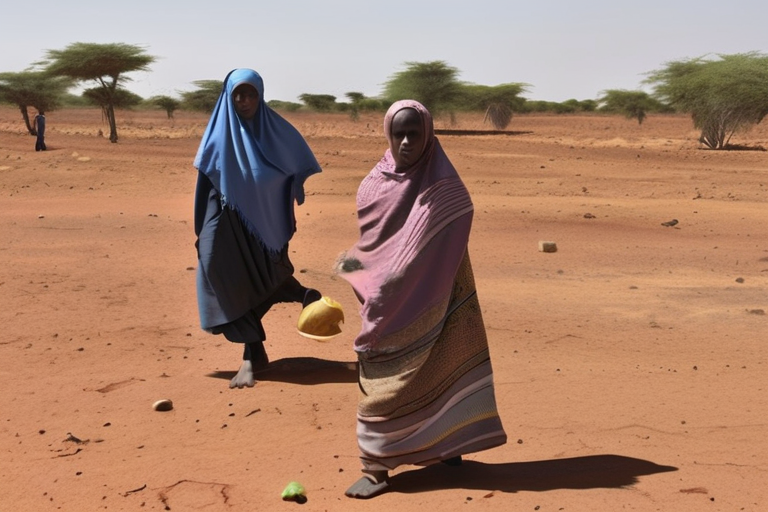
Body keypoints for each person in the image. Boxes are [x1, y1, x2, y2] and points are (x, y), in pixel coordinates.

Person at [337, 100, 507, 498]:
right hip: (388, 301)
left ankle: (405, 457)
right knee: (381, 377)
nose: (408, 141)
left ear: (429, 135)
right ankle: (382, 463)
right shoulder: (372, 185)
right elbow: (372, 245)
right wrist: (363, 271)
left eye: (416, 133)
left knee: (444, 364)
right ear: (388, 136)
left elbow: (457, 215)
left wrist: (412, 268)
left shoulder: (443, 185)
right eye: (400, 134)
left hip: (441, 293)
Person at [194, 68, 323, 389]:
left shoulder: (274, 130)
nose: (244, 100)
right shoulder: (218, 132)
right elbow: (205, 182)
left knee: (257, 278)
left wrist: (286, 187)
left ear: (260, 95)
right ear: (228, 96)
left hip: (262, 225)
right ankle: (298, 294)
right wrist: (202, 228)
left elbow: (292, 164)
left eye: (251, 94)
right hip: (224, 222)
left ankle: (254, 352)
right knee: (215, 273)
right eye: (238, 94)